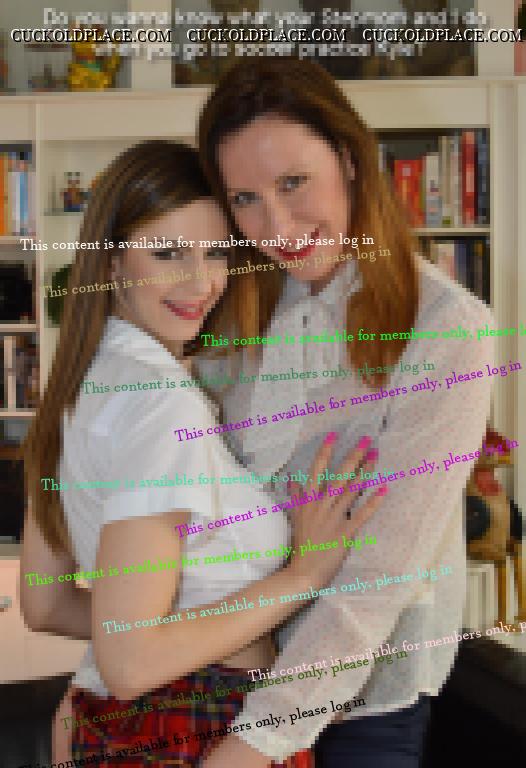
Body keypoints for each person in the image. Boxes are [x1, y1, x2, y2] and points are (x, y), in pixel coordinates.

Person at [20, 139, 383, 768]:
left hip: (125, 723)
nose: (201, 281)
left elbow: (46, 604)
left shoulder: (81, 386)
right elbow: (131, 662)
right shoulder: (160, 404)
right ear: (112, 261)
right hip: (201, 728)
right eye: (168, 253)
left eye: (216, 252)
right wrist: (302, 576)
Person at [197, 59, 495, 767]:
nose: (277, 225)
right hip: (227, 664)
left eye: (293, 182)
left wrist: (260, 737)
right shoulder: (233, 306)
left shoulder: (445, 327)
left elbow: (379, 578)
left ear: (352, 160)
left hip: (360, 702)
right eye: (245, 198)